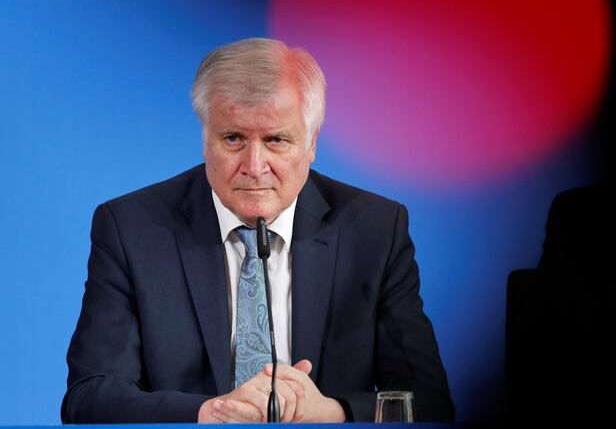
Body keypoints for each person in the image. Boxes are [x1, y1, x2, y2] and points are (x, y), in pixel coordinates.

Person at [61, 38, 454, 423]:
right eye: (233, 138)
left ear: (311, 143)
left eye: (276, 140)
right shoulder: (132, 229)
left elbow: (428, 403)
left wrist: (330, 413)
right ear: (205, 140)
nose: (254, 166)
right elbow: (89, 397)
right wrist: (209, 414)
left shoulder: (373, 230)